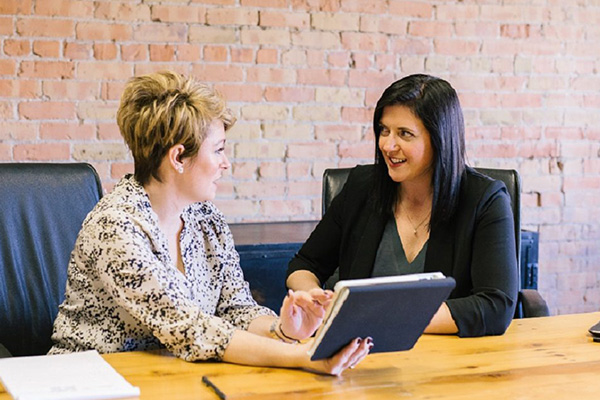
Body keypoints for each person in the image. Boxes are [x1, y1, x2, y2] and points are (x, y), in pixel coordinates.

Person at [49, 71, 371, 375]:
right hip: (92, 381)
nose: (225, 164)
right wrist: (302, 356)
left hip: (173, 376)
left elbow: (236, 308)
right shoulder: (116, 227)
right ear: (178, 158)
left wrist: (283, 329)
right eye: (218, 150)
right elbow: (189, 328)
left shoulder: (206, 218)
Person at [286, 74, 519, 337]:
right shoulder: (362, 187)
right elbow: (304, 264)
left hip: (448, 360)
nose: (387, 145)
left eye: (404, 134)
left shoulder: (485, 200)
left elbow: (496, 306)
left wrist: (381, 318)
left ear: (440, 139)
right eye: (384, 130)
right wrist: (313, 300)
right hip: (358, 356)